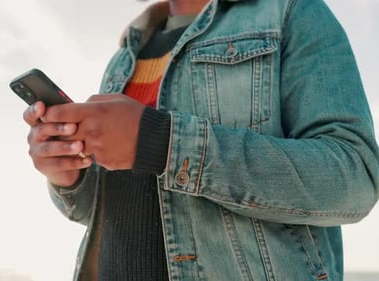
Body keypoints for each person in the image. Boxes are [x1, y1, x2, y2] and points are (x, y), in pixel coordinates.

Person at [23, 0, 379, 280]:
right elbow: (116, 212)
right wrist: (70, 177)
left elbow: (354, 177)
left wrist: (162, 143)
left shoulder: (291, 12)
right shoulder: (124, 58)